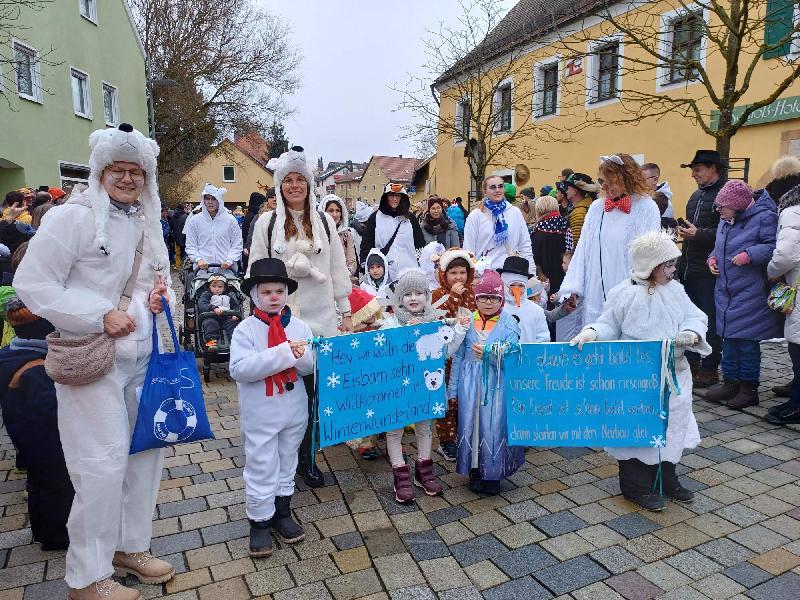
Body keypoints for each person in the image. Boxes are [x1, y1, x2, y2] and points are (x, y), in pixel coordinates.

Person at [14, 123, 175, 599]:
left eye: (136, 171)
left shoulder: (147, 218)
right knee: (99, 466)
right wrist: (98, 314)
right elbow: (34, 285)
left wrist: (159, 298)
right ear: (100, 171)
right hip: (92, 358)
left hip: (143, 357)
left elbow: (149, 281)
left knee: (145, 456)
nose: (128, 179)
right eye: (118, 170)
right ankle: (86, 576)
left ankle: (131, 546)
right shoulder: (71, 218)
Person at [570, 231, 710, 511]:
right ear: (650, 266)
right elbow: (609, 323)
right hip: (635, 376)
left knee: (669, 426)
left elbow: (695, 315)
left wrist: (691, 332)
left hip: (672, 374)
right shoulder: (624, 294)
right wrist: (593, 332)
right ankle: (635, 484)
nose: (673, 270)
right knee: (636, 429)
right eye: (667, 265)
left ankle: (665, 476)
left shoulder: (676, 291)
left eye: (673, 264)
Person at [248, 146, 353, 488]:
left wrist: (345, 312)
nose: (294, 186)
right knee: (281, 398)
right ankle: (281, 456)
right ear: (279, 186)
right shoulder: (267, 224)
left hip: (320, 323)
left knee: (312, 396)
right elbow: (255, 275)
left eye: (300, 180)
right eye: (288, 180)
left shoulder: (324, 222)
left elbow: (337, 268)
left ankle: (306, 458)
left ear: (309, 184)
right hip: (281, 325)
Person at [230, 258, 312, 558]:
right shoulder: (246, 330)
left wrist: (301, 356)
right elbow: (240, 369)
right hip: (261, 413)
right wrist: (283, 353)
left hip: (292, 410)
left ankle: (282, 511)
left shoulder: (300, 326)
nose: (274, 297)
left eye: (279, 291)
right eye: (267, 292)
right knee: (262, 463)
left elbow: (309, 366)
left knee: (287, 460)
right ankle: (260, 521)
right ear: (255, 295)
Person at [381, 269, 468, 503]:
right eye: (407, 293)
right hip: (398, 389)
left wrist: (460, 329)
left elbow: (446, 352)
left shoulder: (436, 323)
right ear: (400, 298)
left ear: (427, 296)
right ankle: (400, 474)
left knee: (425, 427)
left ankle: (424, 470)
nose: (413, 298)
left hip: (425, 388)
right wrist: (406, 333)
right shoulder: (390, 324)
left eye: (419, 292)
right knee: (395, 429)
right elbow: (381, 353)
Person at [0, 296, 74, 551]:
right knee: (56, 482)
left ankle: (43, 529)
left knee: (38, 481)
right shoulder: (38, 369)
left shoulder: (10, 356)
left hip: (21, 433)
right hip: (46, 436)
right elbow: (51, 411)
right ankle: (57, 536)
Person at [558, 154, 661, 331]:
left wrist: (642, 291)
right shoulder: (597, 208)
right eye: (601, 181)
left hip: (628, 289)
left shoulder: (646, 208)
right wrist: (573, 287)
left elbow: (650, 254)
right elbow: (583, 249)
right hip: (596, 291)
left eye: (610, 181)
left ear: (626, 179)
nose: (604, 186)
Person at [704, 180, 780, 410]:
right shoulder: (726, 219)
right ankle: (731, 383)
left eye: (722, 206)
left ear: (737, 205)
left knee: (746, 343)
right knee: (729, 341)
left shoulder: (764, 217)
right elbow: (719, 246)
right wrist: (712, 258)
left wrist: (749, 254)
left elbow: (773, 246)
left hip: (751, 291)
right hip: (726, 291)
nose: (718, 210)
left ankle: (749, 389)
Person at [448, 269, 524, 494]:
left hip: (496, 384)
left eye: (494, 298)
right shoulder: (467, 321)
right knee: (471, 426)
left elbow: (514, 353)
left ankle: (493, 473)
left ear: (501, 300)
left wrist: (491, 353)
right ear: (476, 298)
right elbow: (459, 356)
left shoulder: (508, 324)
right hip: (470, 385)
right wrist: (453, 389)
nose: (488, 302)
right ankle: (474, 470)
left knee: (493, 427)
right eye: (483, 297)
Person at [677, 150, 727, 387]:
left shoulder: (725, 195)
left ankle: (709, 368)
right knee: (690, 317)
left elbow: (729, 232)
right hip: (690, 267)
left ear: (713, 169)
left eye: (697, 169)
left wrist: (699, 234)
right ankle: (693, 362)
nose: (694, 174)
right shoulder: (695, 196)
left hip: (711, 270)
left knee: (710, 320)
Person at [431, 248, 477, 462]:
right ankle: (446, 440)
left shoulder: (474, 293)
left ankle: (462, 434)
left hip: (468, 354)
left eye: (462, 272)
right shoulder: (438, 295)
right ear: (443, 275)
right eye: (453, 273)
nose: (459, 277)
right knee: (447, 397)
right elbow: (440, 317)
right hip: (447, 355)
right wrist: (454, 297)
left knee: (464, 394)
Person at [765, 183, 800, 424]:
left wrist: (771, 271)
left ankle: (797, 406)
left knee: (798, 349)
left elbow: (786, 255)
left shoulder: (792, 212)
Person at [463, 175, 533, 270]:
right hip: (484, 275)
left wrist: (531, 271)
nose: (497, 190)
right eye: (492, 187)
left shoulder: (514, 212)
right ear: (485, 191)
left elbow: (525, 245)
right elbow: (468, 250)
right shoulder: (475, 216)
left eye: (500, 186)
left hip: (513, 274)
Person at [358, 182, 425, 282]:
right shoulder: (375, 218)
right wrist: (365, 265)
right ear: (386, 197)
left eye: (398, 196)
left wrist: (422, 263)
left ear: (402, 198)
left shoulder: (410, 218)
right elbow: (366, 245)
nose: (394, 199)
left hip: (409, 272)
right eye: (391, 196)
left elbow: (419, 244)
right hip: (384, 275)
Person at [185, 183, 243, 278]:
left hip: (227, 272)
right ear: (203, 200)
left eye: (213, 199)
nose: (210, 202)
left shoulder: (230, 220)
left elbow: (237, 244)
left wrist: (230, 260)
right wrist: (198, 259)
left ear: (219, 200)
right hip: (203, 272)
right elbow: (191, 245)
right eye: (207, 199)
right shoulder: (195, 221)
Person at [498, 257, 549, 343]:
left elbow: (543, 339)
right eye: (512, 285)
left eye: (521, 286)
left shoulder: (536, 310)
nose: (517, 289)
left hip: (528, 355)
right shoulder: (495, 308)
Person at [531, 195, 568, 296]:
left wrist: (539, 272)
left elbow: (535, 256)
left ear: (539, 209)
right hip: (565, 274)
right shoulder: (565, 224)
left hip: (545, 277)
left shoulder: (539, 230)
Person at [197, 274, 241, 350]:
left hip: (227, 318)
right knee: (209, 323)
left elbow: (235, 306)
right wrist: (213, 308)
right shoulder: (206, 295)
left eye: (220, 287)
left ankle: (234, 343)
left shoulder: (229, 296)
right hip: (211, 316)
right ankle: (212, 342)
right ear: (209, 287)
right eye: (214, 286)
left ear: (224, 288)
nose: (217, 289)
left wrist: (235, 314)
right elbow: (202, 304)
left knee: (233, 324)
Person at [322, 194, 358, 277]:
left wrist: (345, 275)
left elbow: (351, 261)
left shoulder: (346, 235)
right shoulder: (316, 233)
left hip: (341, 280)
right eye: (330, 210)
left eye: (337, 211)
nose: (334, 214)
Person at [563, 173, 599, 246]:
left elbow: (577, 242)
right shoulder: (583, 207)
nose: (566, 191)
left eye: (569, 188)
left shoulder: (579, 212)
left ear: (575, 191)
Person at [241, 191, 266, 271]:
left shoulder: (249, 214)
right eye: (262, 205)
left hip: (247, 251)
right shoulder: (254, 217)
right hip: (250, 252)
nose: (263, 207)